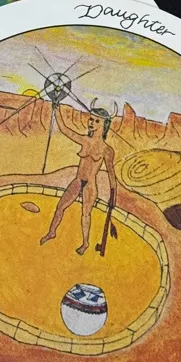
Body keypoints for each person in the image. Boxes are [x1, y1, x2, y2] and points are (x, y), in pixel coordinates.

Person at [40, 105, 117, 255]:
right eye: (91, 119)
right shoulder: (84, 140)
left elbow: (111, 174)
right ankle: (51, 232)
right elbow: (64, 129)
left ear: (104, 125)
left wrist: (113, 195)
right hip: (77, 181)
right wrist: (56, 110)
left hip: (90, 185)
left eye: (97, 121)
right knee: (60, 207)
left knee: (86, 214)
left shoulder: (107, 150)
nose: (91, 123)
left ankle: (85, 243)